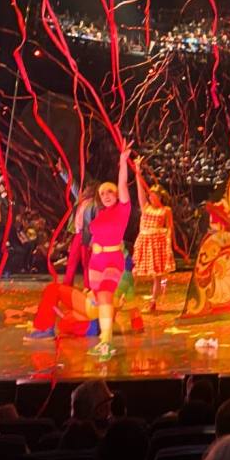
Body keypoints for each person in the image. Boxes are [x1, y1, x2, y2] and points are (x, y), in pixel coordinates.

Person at [85, 143, 132, 360]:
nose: (106, 195)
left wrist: (122, 162)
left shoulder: (123, 209)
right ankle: (110, 323)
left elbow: (122, 183)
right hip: (95, 262)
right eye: (103, 193)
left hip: (113, 259)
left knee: (104, 294)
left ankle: (106, 341)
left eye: (110, 192)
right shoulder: (100, 214)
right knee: (100, 299)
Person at [23, 271, 141, 340]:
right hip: (99, 321)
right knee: (64, 321)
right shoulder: (126, 276)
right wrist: (137, 330)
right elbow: (134, 310)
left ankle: (44, 328)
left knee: (53, 289)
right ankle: (85, 326)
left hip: (94, 310)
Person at [131, 163, 175, 313]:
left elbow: (169, 228)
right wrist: (137, 172)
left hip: (157, 243)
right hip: (144, 241)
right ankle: (124, 296)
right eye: (150, 196)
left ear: (160, 197)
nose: (151, 198)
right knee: (135, 271)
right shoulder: (146, 207)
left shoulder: (165, 210)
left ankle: (153, 301)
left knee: (157, 275)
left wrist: (168, 243)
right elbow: (140, 192)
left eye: (154, 196)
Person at [63, 182, 97, 288]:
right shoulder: (80, 200)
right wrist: (62, 171)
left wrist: (93, 239)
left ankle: (88, 286)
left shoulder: (95, 204)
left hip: (87, 234)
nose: (85, 190)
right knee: (72, 260)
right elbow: (73, 186)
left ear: (93, 191)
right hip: (78, 234)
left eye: (88, 189)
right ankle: (67, 284)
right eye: (86, 188)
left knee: (86, 261)